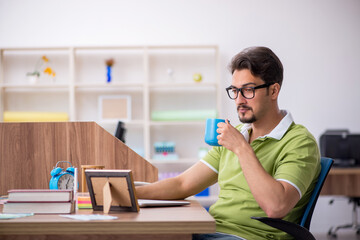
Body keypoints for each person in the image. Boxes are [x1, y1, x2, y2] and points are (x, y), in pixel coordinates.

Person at [136, 46, 320, 240]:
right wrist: (130, 193)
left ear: (273, 90)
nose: (239, 100)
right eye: (235, 90)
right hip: (211, 231)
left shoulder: (299, 142)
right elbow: (182, 184)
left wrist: (241, 148)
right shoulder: (236, 135)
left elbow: (276, 207)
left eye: (248, 90)